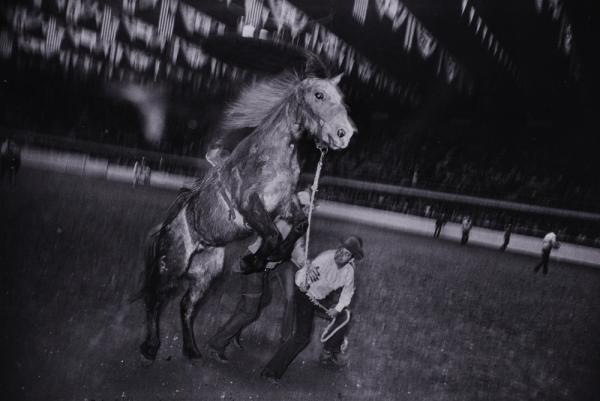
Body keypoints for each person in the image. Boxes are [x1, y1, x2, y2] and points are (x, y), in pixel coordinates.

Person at [205, 190, 313, 363]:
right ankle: (215, 345)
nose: (308, 212)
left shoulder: (294, 224)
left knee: (263, 299)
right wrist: (295, 238)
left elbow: (297, 250)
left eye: (309, 209)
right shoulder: (283, 224)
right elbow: (278, 253)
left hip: (262, 267)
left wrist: (305, 263)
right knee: (249, 311)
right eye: (306, 208)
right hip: (255, 266)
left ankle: (233, 331)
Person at [261, 235, 364, 383]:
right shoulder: (325, 259)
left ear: (351, 259)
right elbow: (301, 275)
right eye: (340, 250)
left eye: (346, 254)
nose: (340, 255)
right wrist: (305, 277)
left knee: (345, 315)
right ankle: (270, 371)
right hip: (305, 296)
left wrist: (337, 308)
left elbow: (348, 293)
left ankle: (328, 353)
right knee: (302, 337)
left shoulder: (349, 272)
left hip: (320, 299)